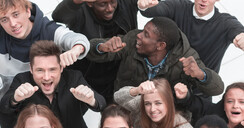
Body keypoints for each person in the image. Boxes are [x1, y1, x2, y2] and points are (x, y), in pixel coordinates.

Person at [0, 0, 90, 103]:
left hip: (46, 102)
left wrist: (77, 49)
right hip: (8, 102)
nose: (13, 24)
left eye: (15, 14)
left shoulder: (49, 29)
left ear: (27, 11)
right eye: (4, 19)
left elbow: (75, 38)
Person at [0, 40, 106, 128]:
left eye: (52, 70)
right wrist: (15, 99)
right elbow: (3, 107)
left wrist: (91, 99)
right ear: (31, 69)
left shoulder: (74, 77)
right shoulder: (22, 79)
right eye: (40, 70)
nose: (46, 77)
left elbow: (101, 103)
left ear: (61, 68)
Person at [86, 16, 224, 97]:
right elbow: (89, 49)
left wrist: (200, 74)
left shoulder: (186, 57)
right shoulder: (133, 39)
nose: (139, 35)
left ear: (160, 46)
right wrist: (102, 47)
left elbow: (218, 88)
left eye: (146, 34)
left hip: (163, 117)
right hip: (126, 107)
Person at [52, 0, 138, 102]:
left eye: (113, 2)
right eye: (103, 4)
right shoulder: (80, 11)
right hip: (86, 74)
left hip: (115, 76)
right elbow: (58, 16)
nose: (110, 8)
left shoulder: (126, 4)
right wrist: (74, 2)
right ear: (90, 3)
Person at [137, 0, 244, 73]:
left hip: (201, 90)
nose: (204, 0)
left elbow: (238, 31)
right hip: (168, 81)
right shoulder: (178, 6)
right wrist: (144, 6)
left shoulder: (225, 23)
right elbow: (154, 9)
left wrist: (241, 38)